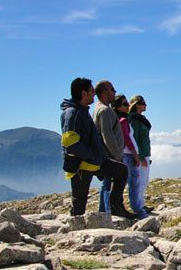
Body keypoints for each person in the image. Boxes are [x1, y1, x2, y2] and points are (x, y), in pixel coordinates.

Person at [60, 77, 130, 217]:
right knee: (79, 205)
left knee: (121, 171)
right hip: (81, 164)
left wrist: (97, 155)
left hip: (95, 161)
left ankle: (115, 206)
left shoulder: (83, 111)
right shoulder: (72, 113)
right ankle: (73, 231)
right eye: (92, 91)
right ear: (83, 93)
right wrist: (91, 155)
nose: (94, 94)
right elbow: (70, 143)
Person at [91, 79, 134, 217]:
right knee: (114, 179)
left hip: (105, 153)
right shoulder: (104, 110)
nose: (114, 92)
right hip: (109, 154)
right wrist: (117, 155)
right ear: (104, 93)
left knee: (108, 182)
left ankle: (106, 209)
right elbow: (107, 135)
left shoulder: (100, 109)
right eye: (112, 90)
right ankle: (110, 209)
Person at [113, 94, 146, 217]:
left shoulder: (121, 119)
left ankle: (134, 208)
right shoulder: (123, 120)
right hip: (128, 155)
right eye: (125, 104)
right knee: (133, 183)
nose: (128, 106)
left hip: (126, 154)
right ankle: (138, 210)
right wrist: (135, 155)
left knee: (128, 182)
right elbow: (127, 139)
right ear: (118, 107)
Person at [128, 94, 152, 215]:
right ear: (137, 105)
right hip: (141, 155)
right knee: (141, 181)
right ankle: (139, 207)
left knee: (144, 180)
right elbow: (135, 140)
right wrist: (141, 157)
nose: (145, 105)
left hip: (144, 153)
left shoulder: (139, 119)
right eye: (143, 103)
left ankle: (141, 205)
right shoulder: (135, 121)